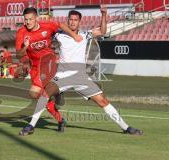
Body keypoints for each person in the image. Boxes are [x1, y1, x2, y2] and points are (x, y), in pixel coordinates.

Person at [19, 6, 143, 136]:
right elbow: (42, 35)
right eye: (70, 19)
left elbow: (103, 31)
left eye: (75, 20)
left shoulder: (85, 35)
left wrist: (104, 15)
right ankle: (31, 126)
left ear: (80, 22)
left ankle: (126, 128)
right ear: (67, 21)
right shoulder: (59, 35)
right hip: (63, 75)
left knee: (103, 101)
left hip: (80, 77)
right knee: (44, 94)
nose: (72, 22)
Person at [16, 7, 82, 134]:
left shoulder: (47, 26)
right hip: (35, 67)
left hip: (49, 63)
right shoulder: (21, 32)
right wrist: (25, 47)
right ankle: (60, 118)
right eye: (25, 20)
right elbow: (19, 54)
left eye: (30, 19)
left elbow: (61, 25)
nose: (28, 22)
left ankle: (31, 127)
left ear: (36, 19)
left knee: (38, 92)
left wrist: (73, 35)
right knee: (36, 95)